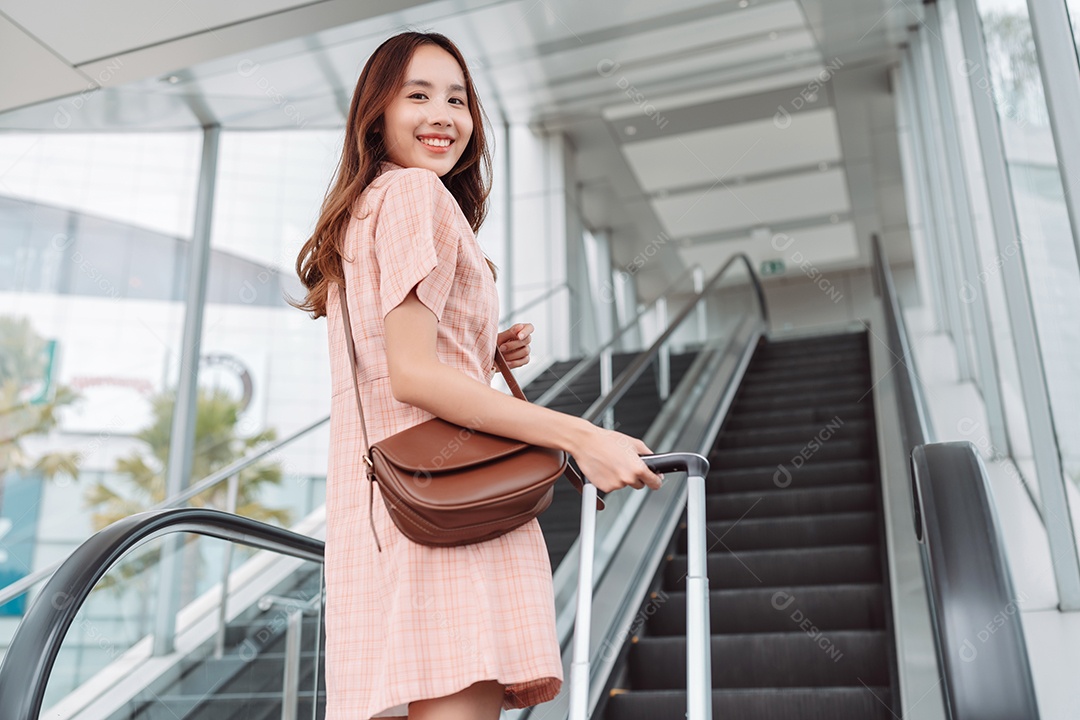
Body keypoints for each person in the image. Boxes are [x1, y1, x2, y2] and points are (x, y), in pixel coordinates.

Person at [293, 31, 664, 720]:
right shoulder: (415, 195)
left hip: (381, 519)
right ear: (375, 113)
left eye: (457, 99)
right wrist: (582, 436)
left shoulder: (366, 206)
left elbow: (389, 355)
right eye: (419, 95)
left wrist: (480, 346)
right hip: (446, 512)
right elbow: (413, 376)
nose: (444, 114)